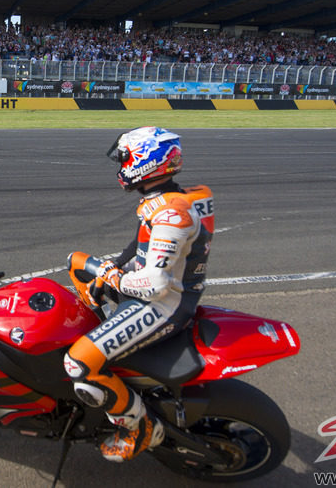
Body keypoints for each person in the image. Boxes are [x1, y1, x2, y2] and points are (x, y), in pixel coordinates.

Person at [62, 126, 214, 462]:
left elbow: (156, 284)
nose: (122, 165)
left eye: (127, 158)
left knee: (78, 364)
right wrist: (109, 267)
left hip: (165, 303)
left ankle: (140, 427)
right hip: (153, 287)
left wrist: (112, 276)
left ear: (148, 162)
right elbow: (138, 243)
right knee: (77, 262)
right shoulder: (158, 200)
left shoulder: (172, 213)